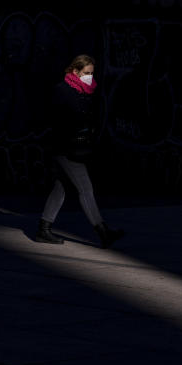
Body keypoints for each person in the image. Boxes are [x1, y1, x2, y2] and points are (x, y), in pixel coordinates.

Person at [35, 55, 125, 249]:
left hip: (75, 147)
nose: (90, 77)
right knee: (85, 189)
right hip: (65, 148)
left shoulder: (85, 92)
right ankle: (103, 232)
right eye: (86, 73)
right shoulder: (62, 91)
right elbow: (53, 118)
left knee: (61, 188)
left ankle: (43, 229)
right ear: (75, 72)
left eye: (92, 73)